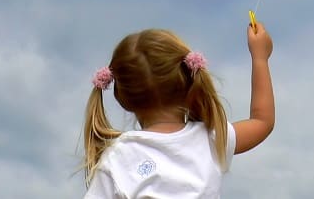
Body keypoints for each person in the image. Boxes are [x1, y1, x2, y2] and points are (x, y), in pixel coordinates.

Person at [83, 22, 274, 198]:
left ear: (122, 97)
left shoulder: (117, 158)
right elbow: (262, 121)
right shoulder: (210, 139)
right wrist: (260, 58)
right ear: (188, 79)